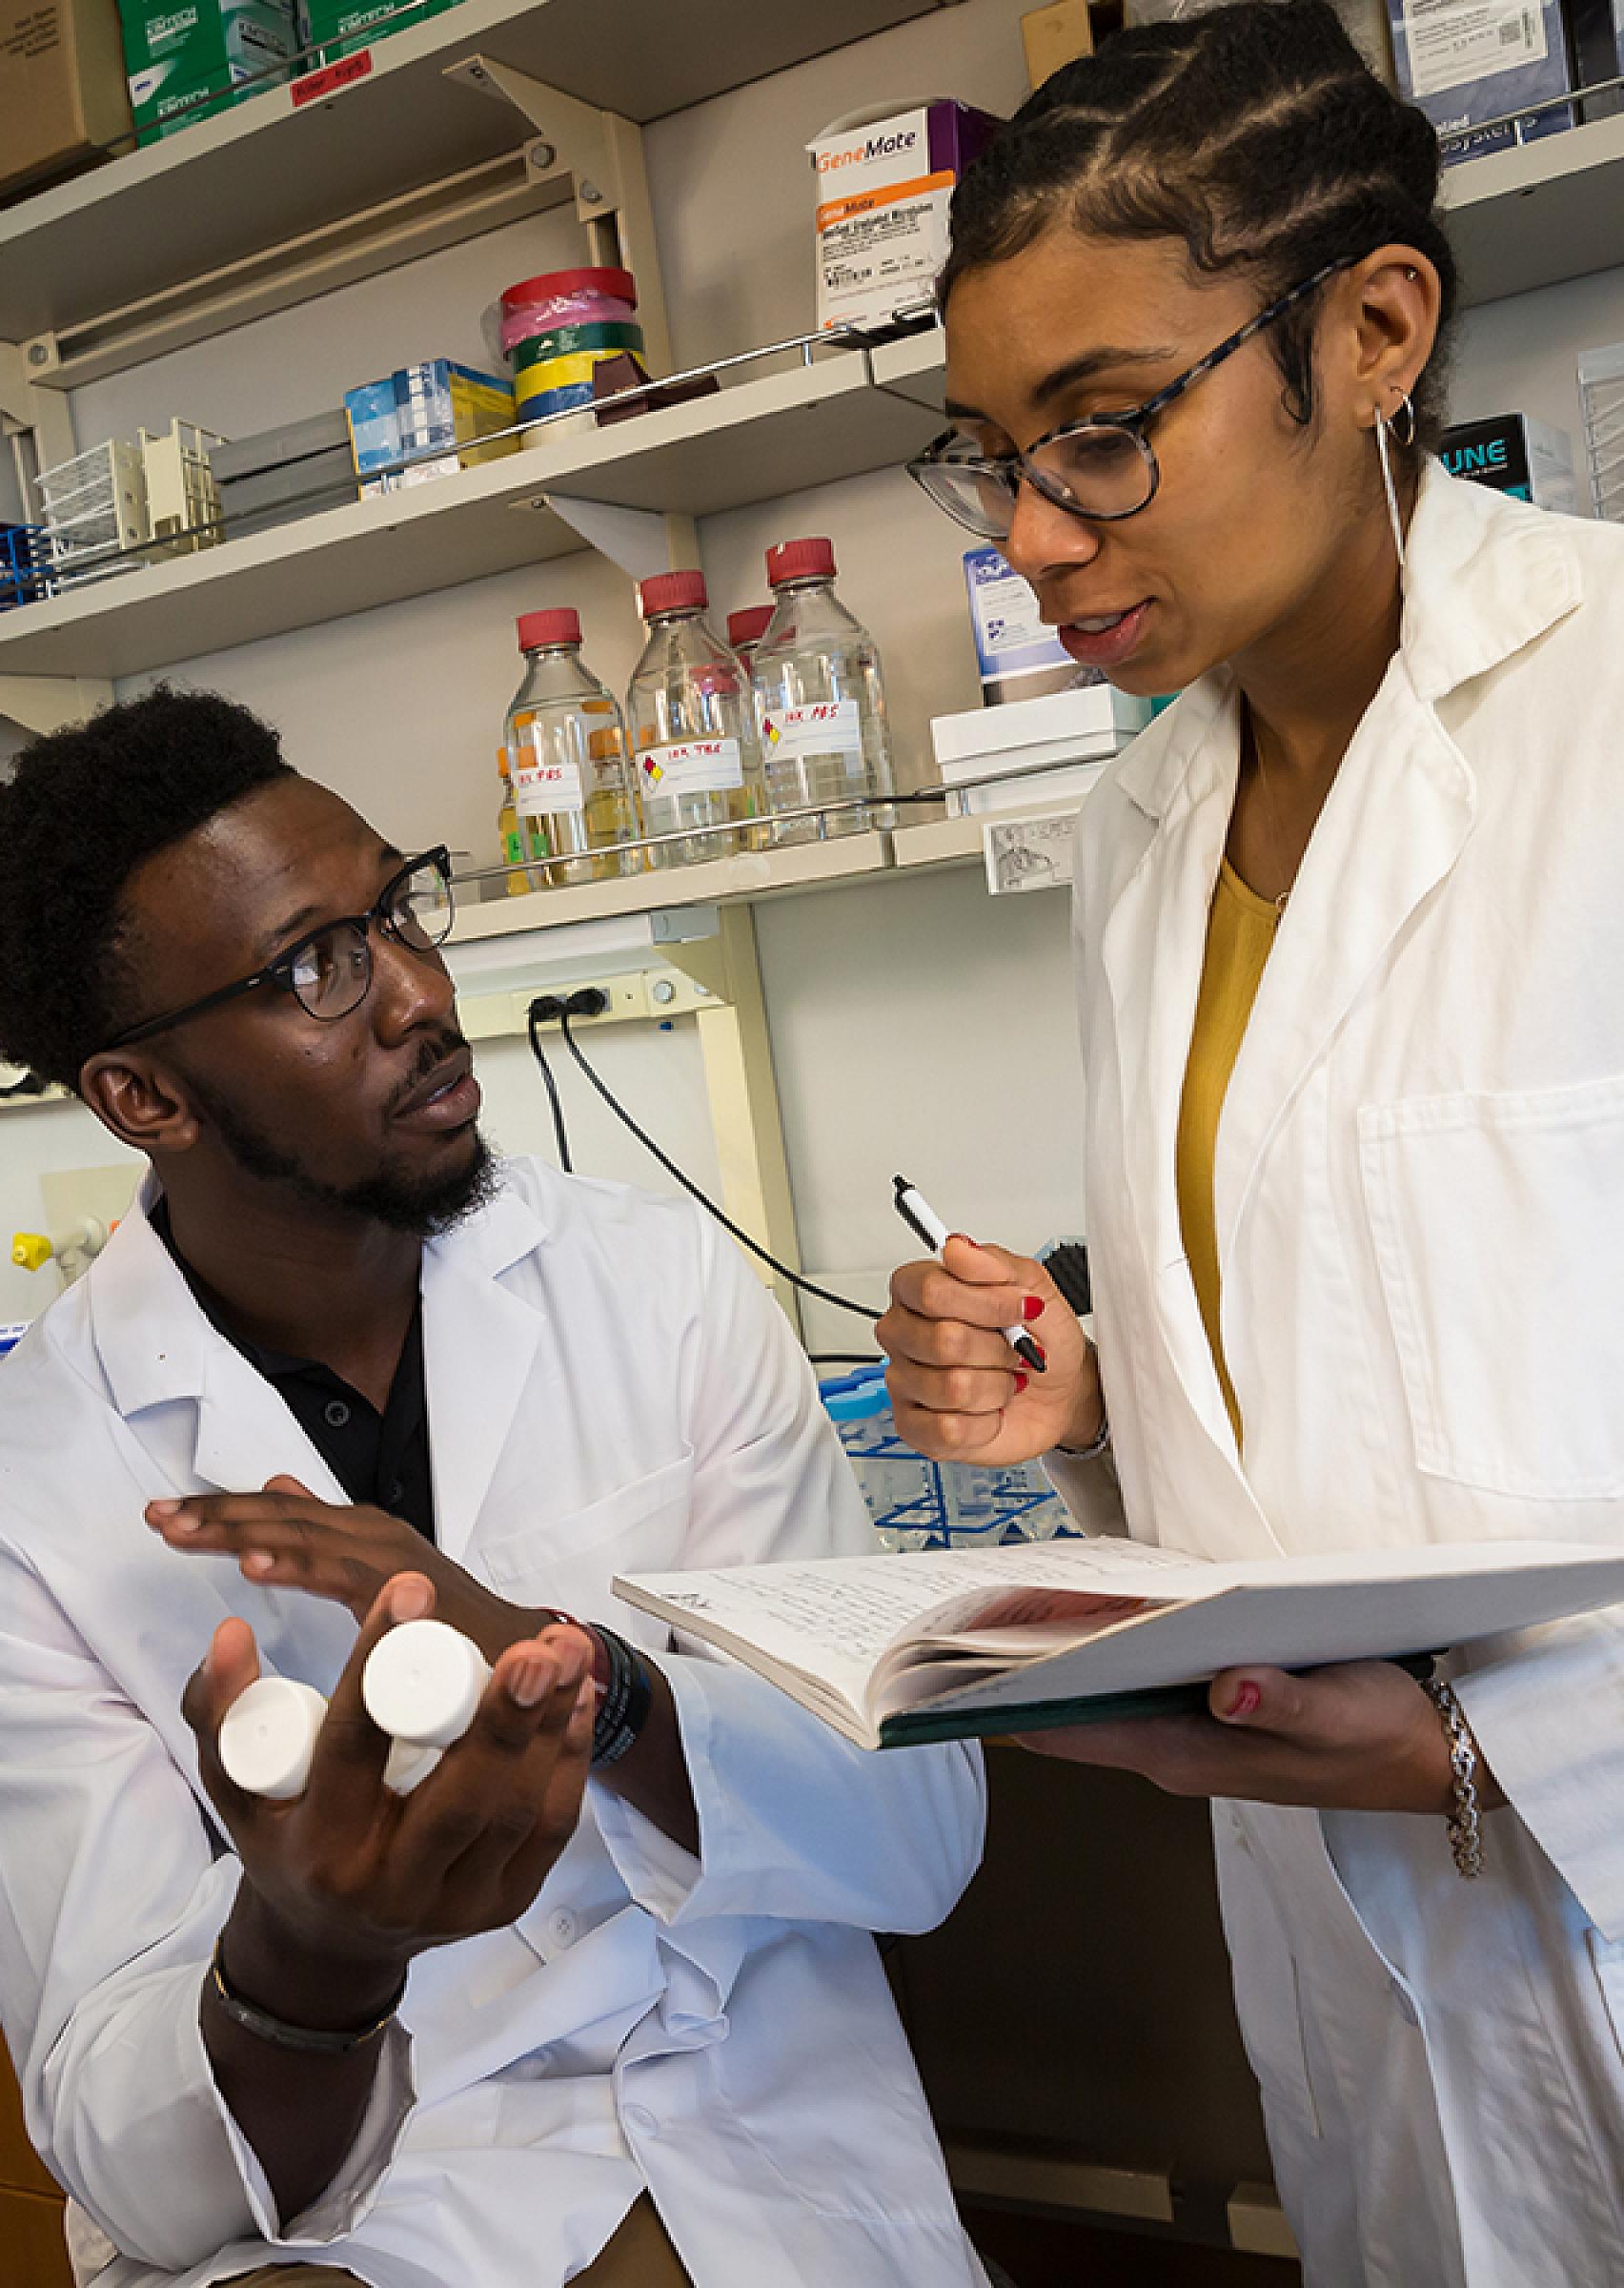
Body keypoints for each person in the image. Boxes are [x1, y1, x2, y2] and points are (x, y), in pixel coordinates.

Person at [0, 687, 990, 2288]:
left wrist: (597, 1689)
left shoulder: (653, 1284)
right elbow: (143, 2175)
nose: (418, 993)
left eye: (398, 910)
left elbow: (916, 1833)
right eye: (317, 968)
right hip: (371, 2224)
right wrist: (314, 1956)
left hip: (770, 2155)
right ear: (145, 1097)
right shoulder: (6, 1510)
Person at [879, 6, 1624, 2280]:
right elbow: (1351, 1364)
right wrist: (1108, 1413)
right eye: (992, 455)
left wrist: (1498, 1764)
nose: (1030, 535)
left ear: (1375, 329)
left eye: (1104, 434)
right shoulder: (1140, 825)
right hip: (1346, 1957)